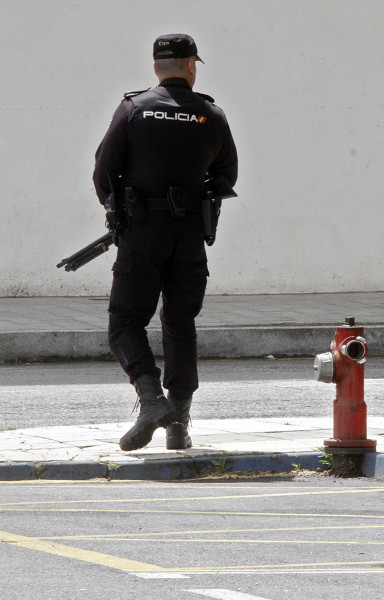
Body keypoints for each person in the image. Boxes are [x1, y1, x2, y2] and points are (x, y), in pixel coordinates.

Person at [93, 34, 238, 451]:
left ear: (157, 67)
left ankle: (151, 399)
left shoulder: (133, 109)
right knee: (180, 323)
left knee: (125, 320)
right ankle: (179, 425)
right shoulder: (212, 115)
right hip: (190, 233)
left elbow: (104, 170)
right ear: (191, 65)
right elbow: (225, 176)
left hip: (141, 232)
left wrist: (119, 208)